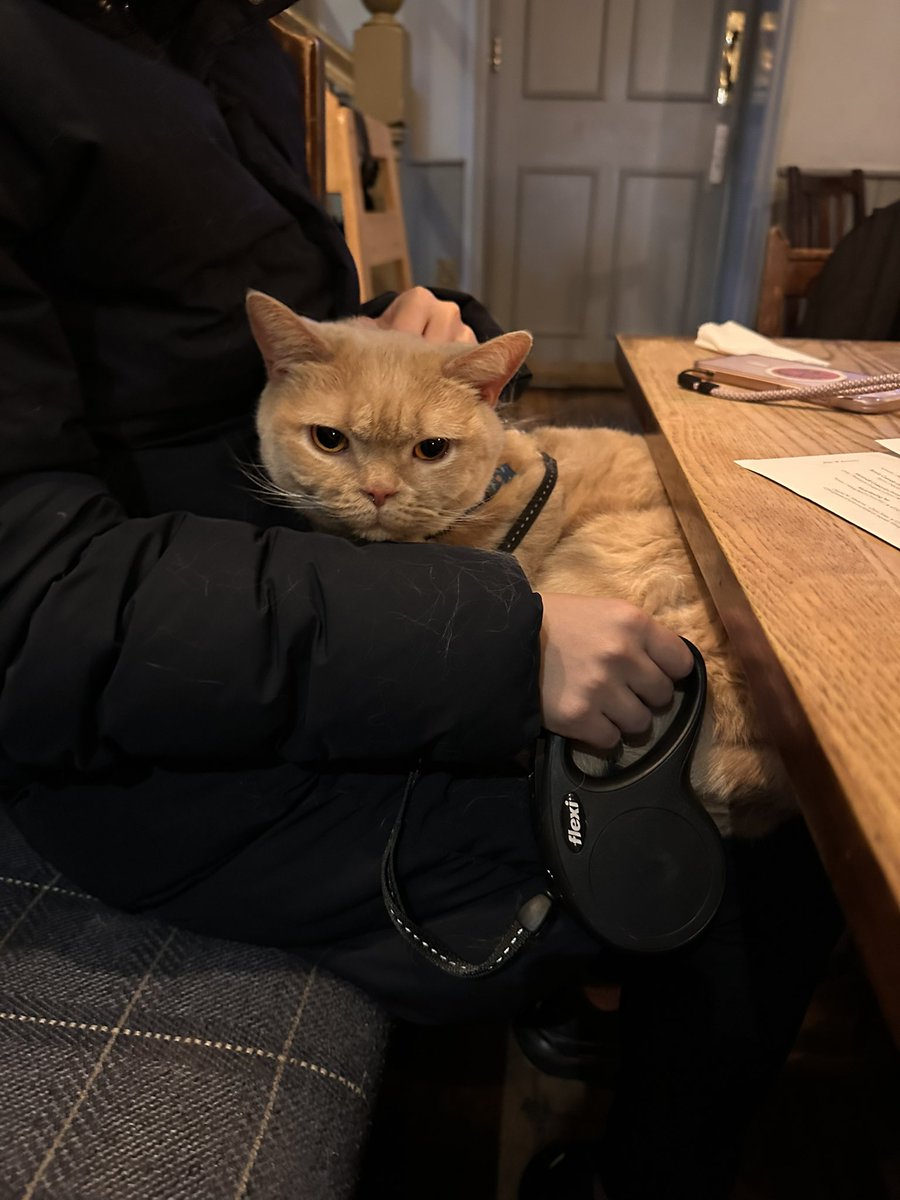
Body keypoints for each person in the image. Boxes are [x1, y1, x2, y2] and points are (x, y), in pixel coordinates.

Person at [0, 3, 841, 1197]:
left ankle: (617, 1030)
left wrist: (428, 332)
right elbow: (31, 600)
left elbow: (257, 334)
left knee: (766, 664)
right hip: (167, 724)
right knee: (771, 795)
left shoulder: (222, 31)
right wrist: (504, 641)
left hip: (307, 590)